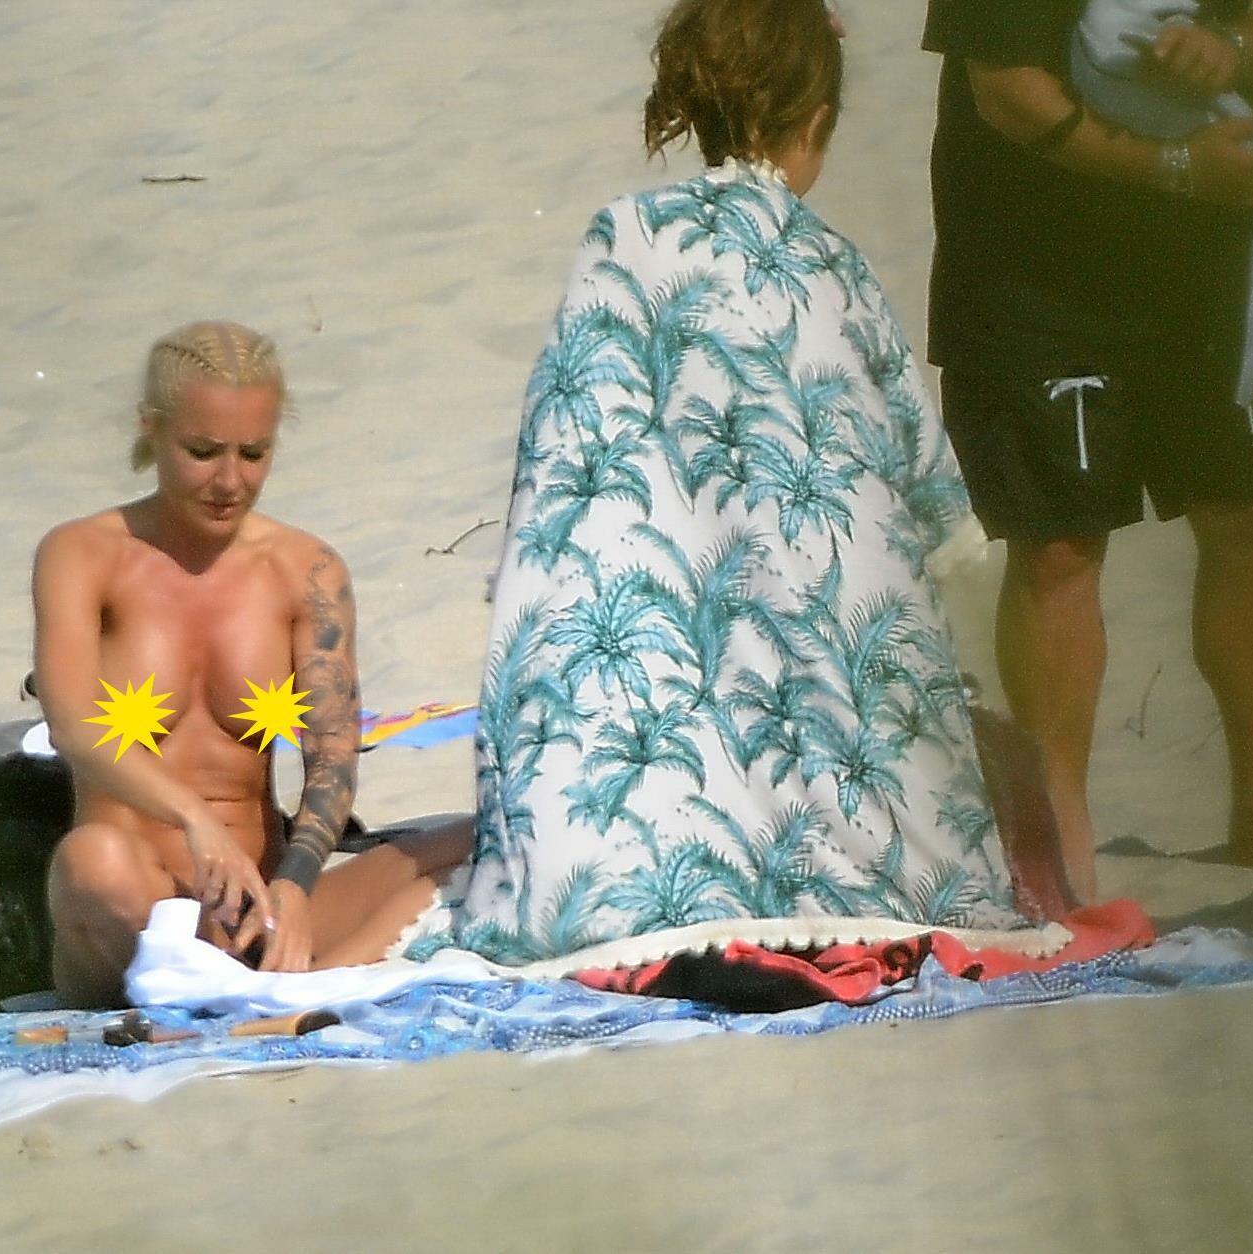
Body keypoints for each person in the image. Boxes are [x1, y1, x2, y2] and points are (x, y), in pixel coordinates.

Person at [401, 0, 1044, 969]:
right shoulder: (832, 264)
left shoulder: (624, 236)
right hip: (839, 733)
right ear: (817, 119)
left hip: (653, 732)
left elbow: (565, 463)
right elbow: (928, 493)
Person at [924, 0, 1253, 901]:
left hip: (1218, 254)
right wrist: (1176, 165)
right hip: (1034, 260)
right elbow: (1005, 88)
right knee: (1057, 547)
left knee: (1250, 519)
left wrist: (1232, 47)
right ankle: (1061, 859)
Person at [33, 320, 467, 1008]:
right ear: (151, 428)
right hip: (138, 905)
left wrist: (295, 882)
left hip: (261, 910)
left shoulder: (305, 570)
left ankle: (293, 986)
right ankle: (298, 988)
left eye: (254, 453)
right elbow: (74, 729)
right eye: (203, 452)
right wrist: (194, 819)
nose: (230, 481)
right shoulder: (83, 554)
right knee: (91, 861)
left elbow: (332, 758)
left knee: (483, 839)